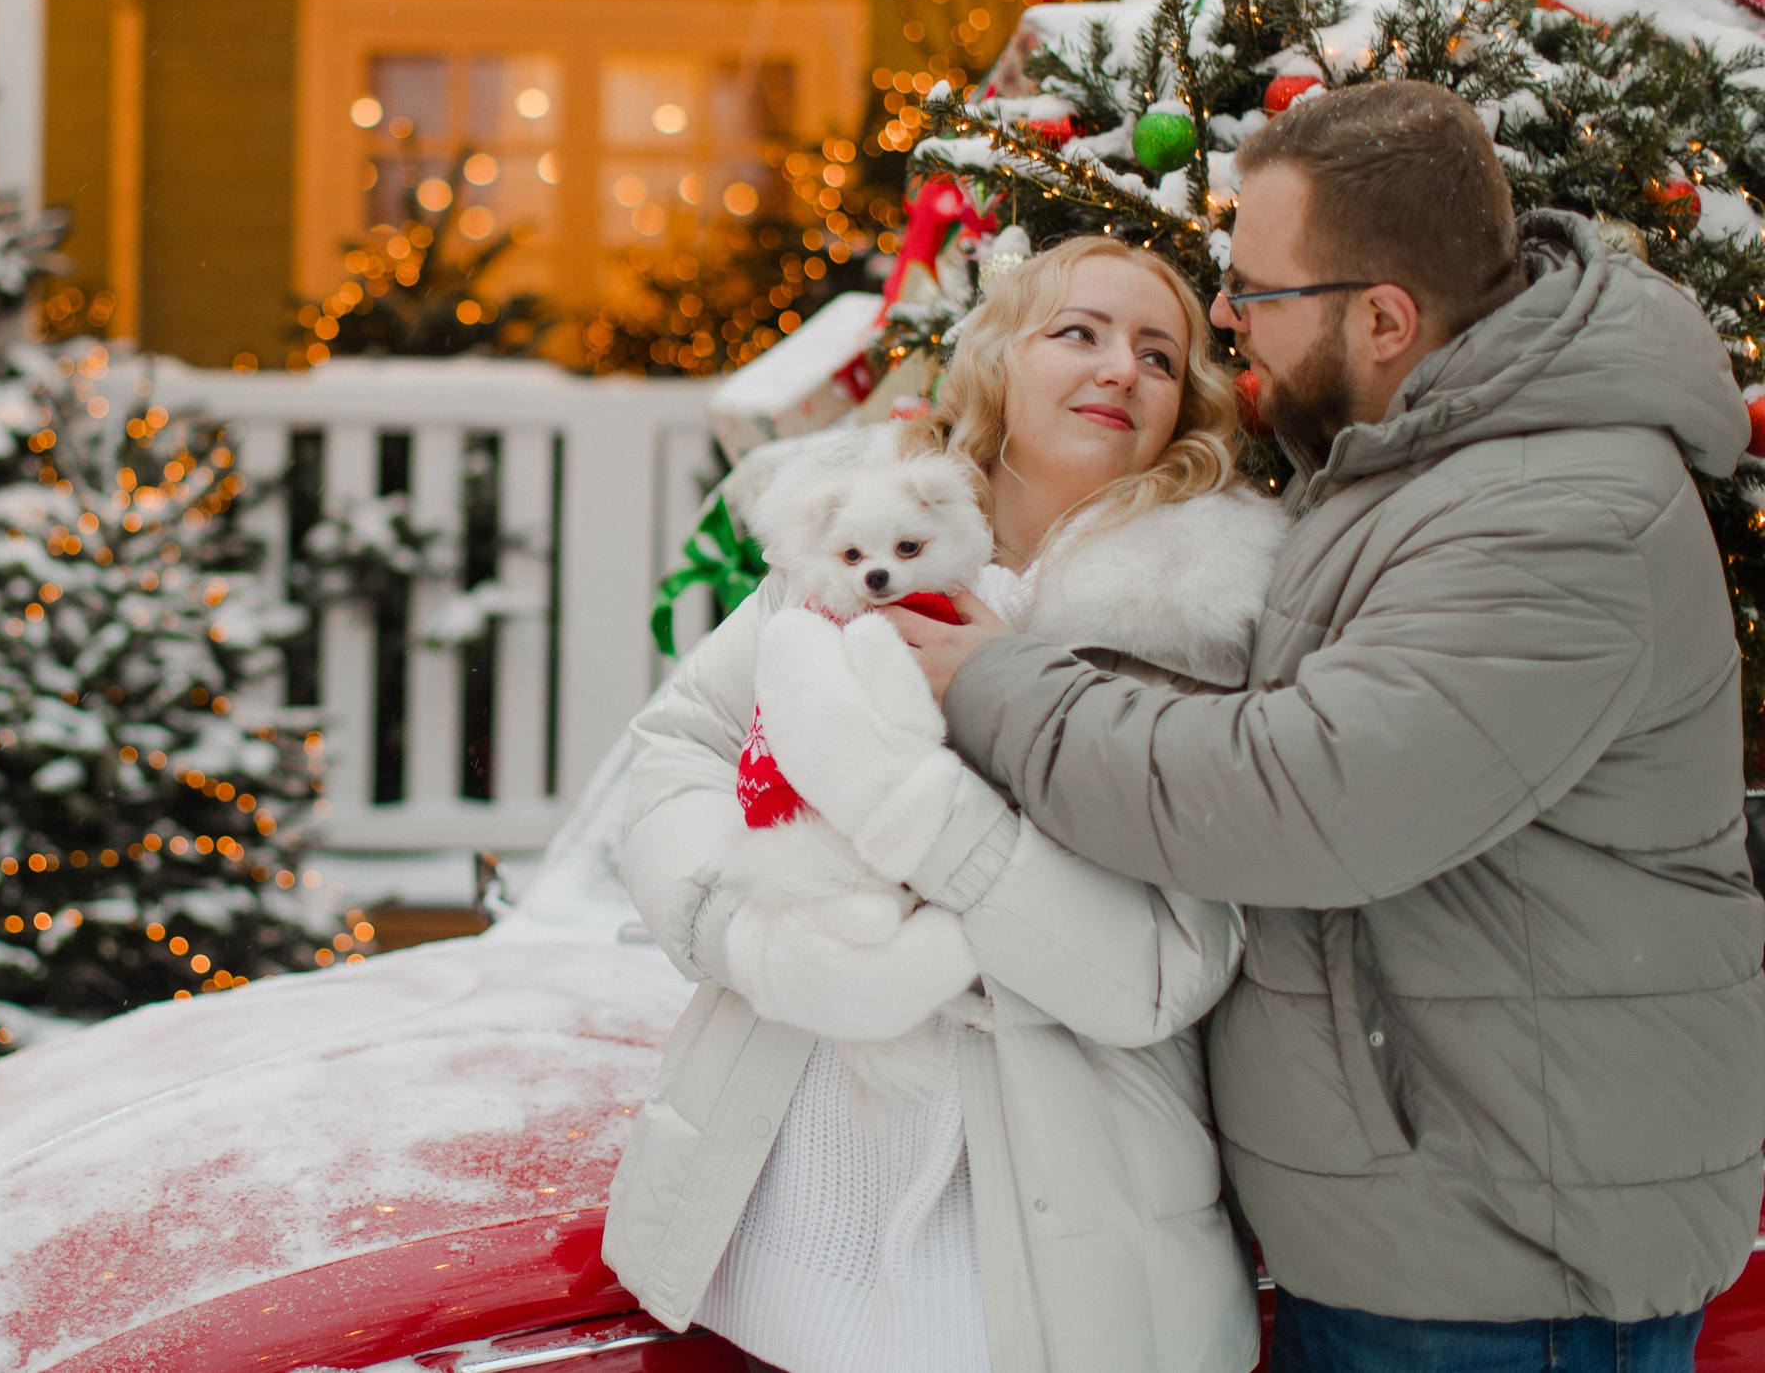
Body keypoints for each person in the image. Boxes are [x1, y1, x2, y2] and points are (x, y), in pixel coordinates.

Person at [858, 81, 1765, 1372]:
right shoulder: (1422, 459)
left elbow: (1303, 796)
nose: (1226, 317)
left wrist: (997, 683)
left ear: (1385, 317)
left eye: (1255, 290)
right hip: (1426, 1229)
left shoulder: (1560, 510)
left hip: (1508, 1285)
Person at [605, 236, 1284, 1373]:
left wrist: (920, 813)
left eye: (1160, 356)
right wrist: (750, 937)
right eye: (1079, 332)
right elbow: (680, 751)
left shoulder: (1200, 636)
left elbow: (1165, 966)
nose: (1122, 368)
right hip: (776, 1207)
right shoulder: (854, 547)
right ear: (997, 361)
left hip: (1032, 1268)